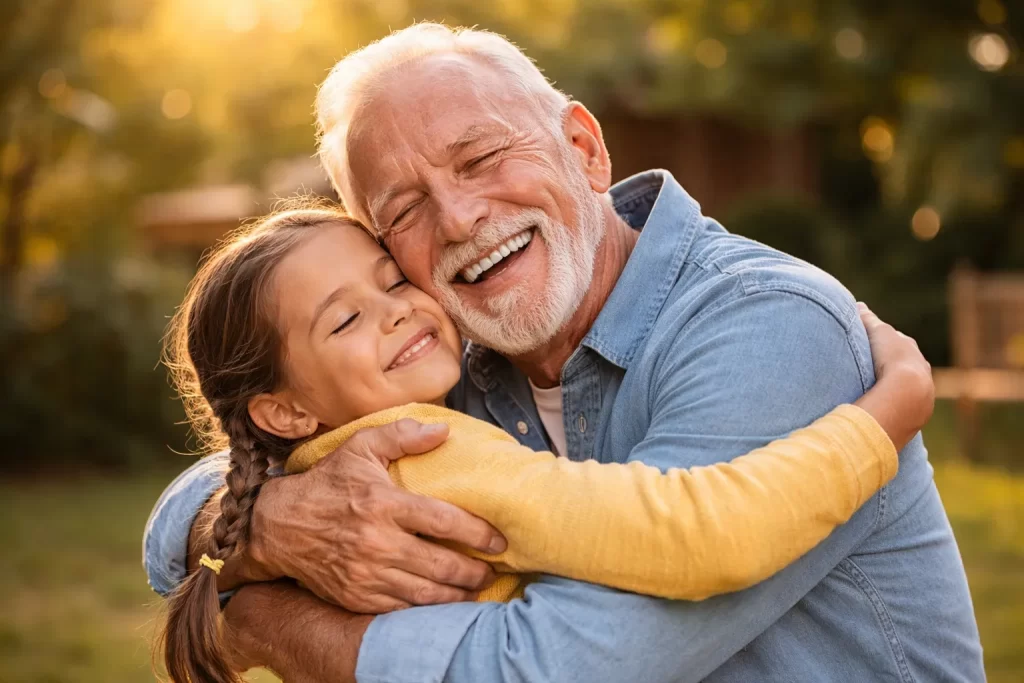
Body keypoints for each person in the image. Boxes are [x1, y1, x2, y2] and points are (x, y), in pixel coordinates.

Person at [145, 23, 984, 683]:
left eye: (480, 157)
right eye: (403, 209)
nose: (463, 218)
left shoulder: (770, 327)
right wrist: (270, 522)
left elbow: (560, 666)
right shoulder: (441, 382)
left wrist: (258, 615)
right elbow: (206, 489)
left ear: (584, 148)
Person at [157, 203, 917, 683]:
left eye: (391, 282)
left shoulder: (320, 461)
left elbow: (219, 491)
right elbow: (698, 532)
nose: (392, 313)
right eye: (344, 320)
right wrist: (881, 421)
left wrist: (244, 559)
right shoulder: (430, 448)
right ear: (282, 411)